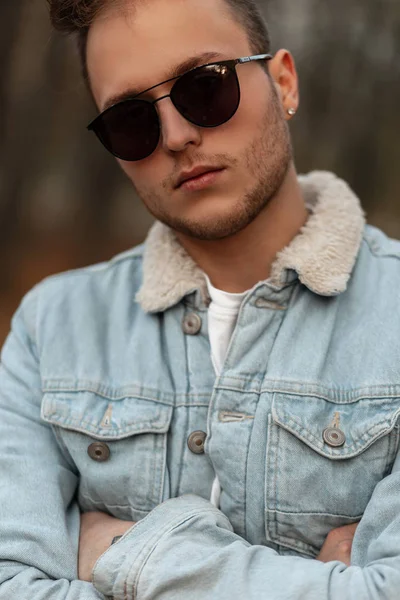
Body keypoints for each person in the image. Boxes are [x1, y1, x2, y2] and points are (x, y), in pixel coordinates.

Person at [0, 0, 399, 597]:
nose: (177, 136)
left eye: (205, 88)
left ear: (283, 81)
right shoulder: (51, 326)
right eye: (131, 120)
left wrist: (116, 551)